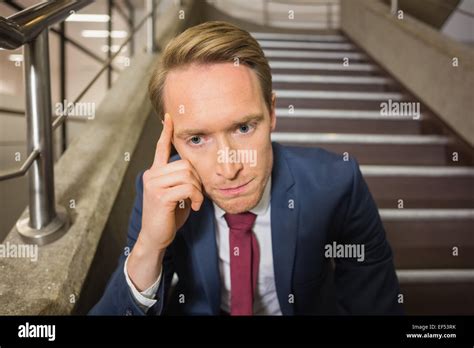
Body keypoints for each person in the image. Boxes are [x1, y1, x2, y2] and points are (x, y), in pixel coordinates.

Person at [90, 21, 403, 316]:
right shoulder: (158, 194)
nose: (228, 169)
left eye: (243, 128)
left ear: (272, 111)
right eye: (197, 138)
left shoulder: (337, 184)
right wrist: (149, 246)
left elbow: (376, 306)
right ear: (170, 137)